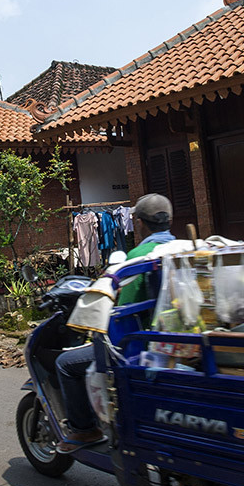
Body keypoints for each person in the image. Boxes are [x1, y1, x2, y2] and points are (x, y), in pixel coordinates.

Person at [55, 194, 176, 453]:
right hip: (175, 337)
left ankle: (85, 431)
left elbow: (120, 311)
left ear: (140, 224)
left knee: (65, 364)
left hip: (142, 344)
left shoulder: (138, 257)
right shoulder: (181, 247)